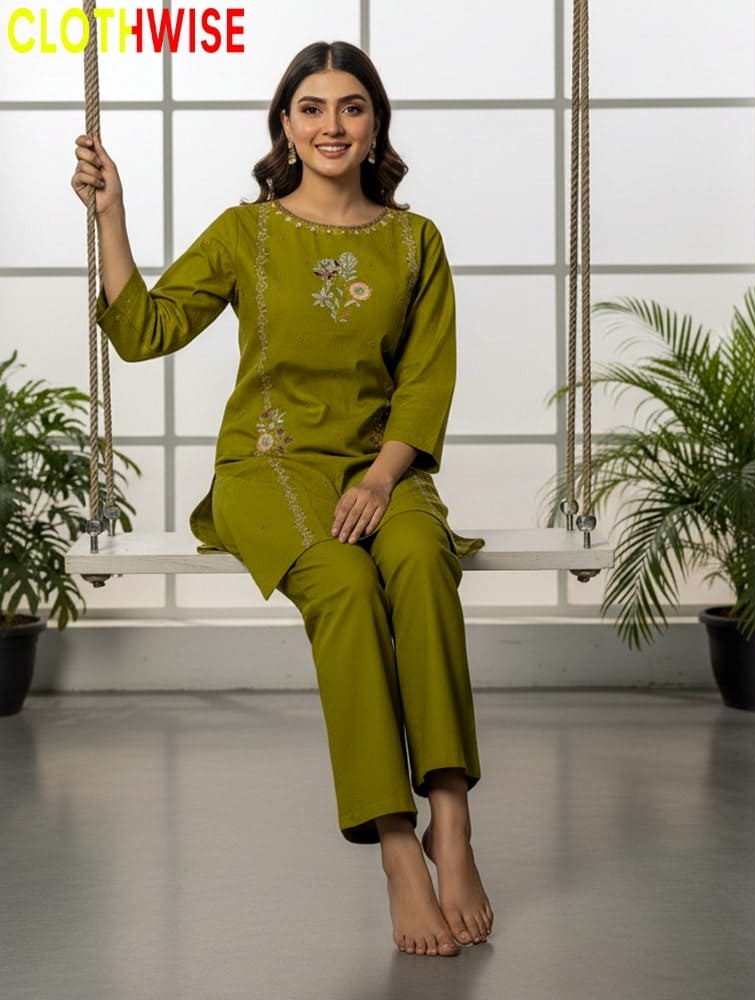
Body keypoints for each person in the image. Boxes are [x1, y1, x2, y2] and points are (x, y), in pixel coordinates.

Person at [72, 40, 493, 958]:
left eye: (351, 107)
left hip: (384, 463)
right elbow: (143, 332)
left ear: (375, 123)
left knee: (421, 561)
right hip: (269, 468)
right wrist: (113, 215)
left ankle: (452, 824)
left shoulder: (416, 241)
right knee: (343, 586)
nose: (331, 125)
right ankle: (396, 849)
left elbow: (425, 381)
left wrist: (384, 476)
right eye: (312, 107)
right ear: (285, 126)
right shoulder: (245, 233)